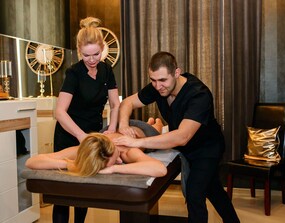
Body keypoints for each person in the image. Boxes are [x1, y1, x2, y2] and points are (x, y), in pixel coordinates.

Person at [114, 52, 240, 223]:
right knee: (213, 189)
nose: (157, 86)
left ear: (177, 72)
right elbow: (127, 102)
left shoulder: (199, 95)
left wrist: (137, 142)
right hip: (185, 149)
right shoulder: (159, 87)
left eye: (163, 80)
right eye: (153, 80)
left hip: (207, 149)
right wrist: (123, 125)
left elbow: (182, 136)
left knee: (195, 194)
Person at [53, 17, 120, 223]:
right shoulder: (74, 73)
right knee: (63, 192)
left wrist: (111, 129)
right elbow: (60, 112)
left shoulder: (107, 70)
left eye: (96, 54)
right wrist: (80, 135)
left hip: (92, 135)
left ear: (103, 48)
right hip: (69, 133)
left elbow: (115, 104)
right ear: (79, 51)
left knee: (85, 186)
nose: (91, 60)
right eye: (86, 55)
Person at [25, 119, 167, 177]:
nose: (105, 166)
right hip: (112, 128)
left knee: (156, 128)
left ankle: (155, 121)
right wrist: (71, 163)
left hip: (141, 132)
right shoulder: (89, 147)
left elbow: (160, 169)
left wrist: (114, 168)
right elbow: (32, 162)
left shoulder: (127, 152)